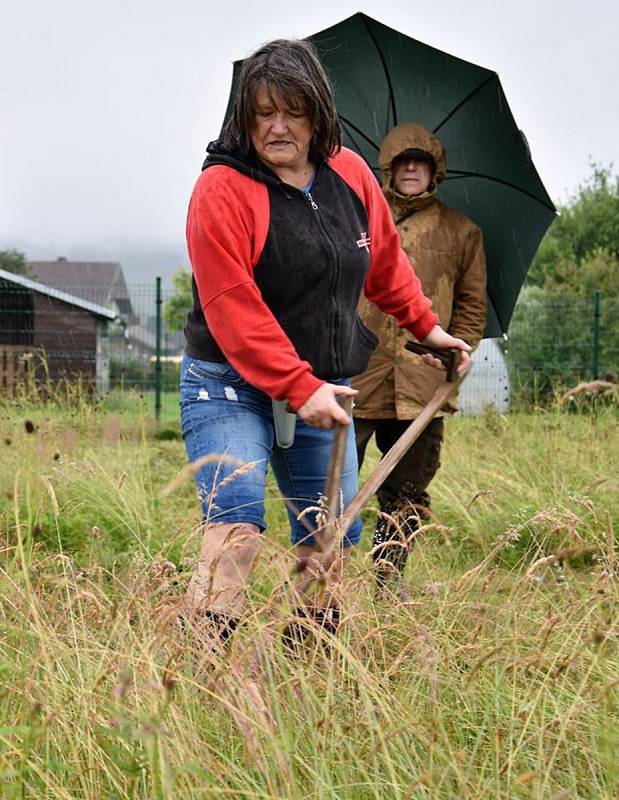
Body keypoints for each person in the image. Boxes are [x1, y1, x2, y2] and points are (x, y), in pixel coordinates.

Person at [180, 42, 471, 653]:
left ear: (319, 114)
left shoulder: (351, 174)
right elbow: (234, 308)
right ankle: (198, 680)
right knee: (236, 526)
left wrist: (430, 329)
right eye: (263, 113)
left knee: (328, 536)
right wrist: (297, 384)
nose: (278, 127)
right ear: (244, 117)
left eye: (293, 111)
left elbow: (386, 264)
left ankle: (309, 676)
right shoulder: (222, 190)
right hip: (229, 383)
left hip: (322, 382)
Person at [352, 123, 487, 594]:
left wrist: (460, 348)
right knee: (331, 480)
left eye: (421, 162)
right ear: (387, 167)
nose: (410, 169)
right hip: (357, 373)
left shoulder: (462, 232)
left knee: (407, 490)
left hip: (424, 378)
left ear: (435, 171)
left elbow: (472, 303)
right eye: (402, 161)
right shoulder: (359, 220)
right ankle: (325, 577)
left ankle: (388, 581)